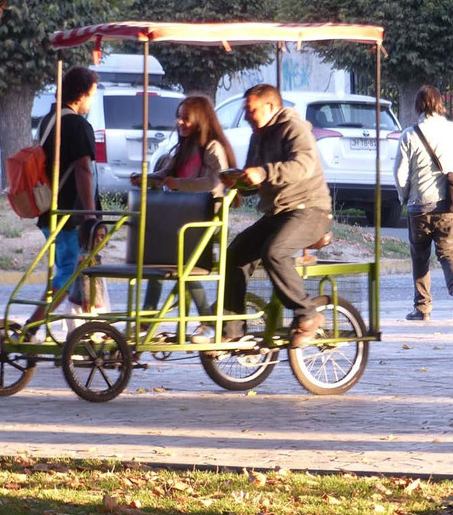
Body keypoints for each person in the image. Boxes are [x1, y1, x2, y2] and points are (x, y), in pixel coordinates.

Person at [220, 84, 333, 347]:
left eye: (251, 110)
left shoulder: (295, 128)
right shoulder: (257, 136)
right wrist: (237, 181)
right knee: (234, 254)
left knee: (275, 252)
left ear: (270, 107)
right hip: (277, 213)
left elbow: (302, 165)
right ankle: (232, 329)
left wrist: (264, 172)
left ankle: (308, 314)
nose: (247, 116)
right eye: (246, 111)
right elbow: (255, 180)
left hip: (311, 210)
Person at [130, 94, 236, 329]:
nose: (180, 123)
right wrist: (146, 179)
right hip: (179, 218)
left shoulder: (212, 147)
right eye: (178, 117)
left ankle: (206, 320)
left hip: (204, 220)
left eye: (186, 118)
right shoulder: (183, 148)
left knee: (185, 269)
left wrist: (180, 183)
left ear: (201, 119)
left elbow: (213, 182)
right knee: (155, 263)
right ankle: (147, 318)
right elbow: (166, 174)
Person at [393, 84, 453, 323]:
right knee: (448, 252)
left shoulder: (409, 134)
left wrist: (404, 196)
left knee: (420, 256)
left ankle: (422, 307)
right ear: (440, 104)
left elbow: (399, 173)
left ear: (418, 106)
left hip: (420, 207)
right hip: (449, 204)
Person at [36, 66, 99, 311]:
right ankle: (33, 324)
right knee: (69, 272)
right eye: (92, 94)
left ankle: (77, 325)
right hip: (68, 212)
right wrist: (91, 216)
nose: (92, 100)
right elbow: (84, 170)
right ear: (81, 94)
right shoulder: (76, 124)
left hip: (47, 207)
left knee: (69, 269)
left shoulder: (49, 120)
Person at [68, 220, 110, 315]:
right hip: (81, 306)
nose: (99, 240)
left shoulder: (93, 255)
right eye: (95, 237)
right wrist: (87, 300)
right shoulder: (86, 257)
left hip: (92, 303)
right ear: (86, 238)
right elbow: (85, 279)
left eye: (102, 237)